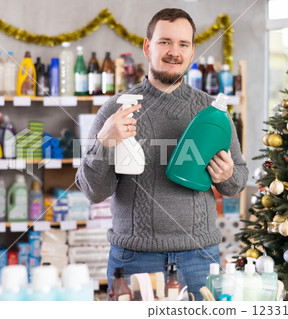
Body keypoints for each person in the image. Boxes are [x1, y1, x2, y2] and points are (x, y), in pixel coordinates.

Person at [75, 8, 248, 300]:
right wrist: (104, 142)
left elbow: (237, 180)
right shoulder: (116, 109)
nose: (174, 52)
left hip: (199, 258)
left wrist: (228, 174)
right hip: (134, 259)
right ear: (147, 46)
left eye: (183, 44)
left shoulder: (212, 111)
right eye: (165, 42)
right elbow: (94, 191)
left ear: (192, 52)